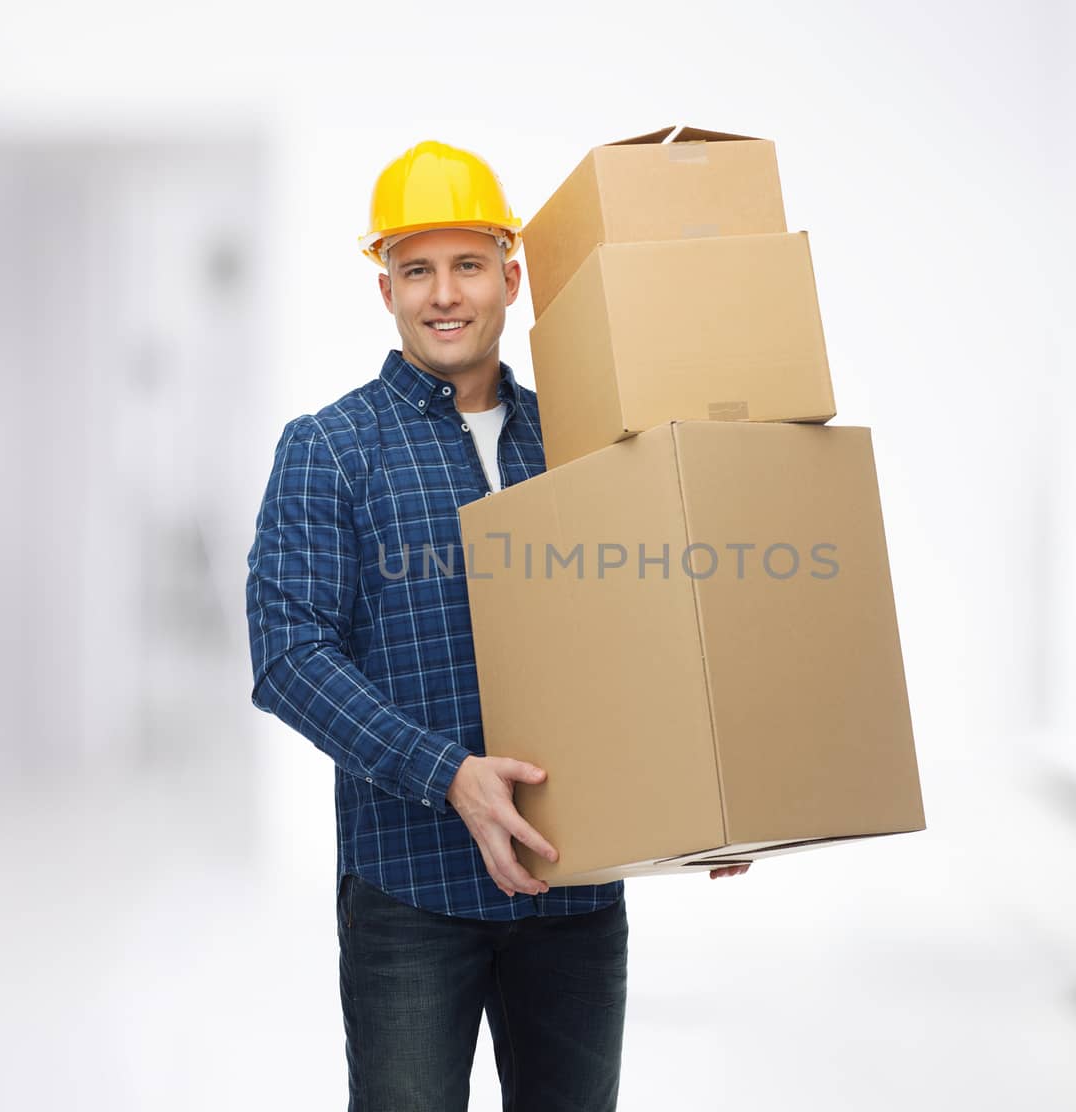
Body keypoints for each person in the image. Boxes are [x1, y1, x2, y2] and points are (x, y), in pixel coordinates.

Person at [245, 139, 746, 1112]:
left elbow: (636, 636)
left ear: (510, 276)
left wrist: (711, 792)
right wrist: (450, 774)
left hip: (576, 890)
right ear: (383, 286)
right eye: (415, 268)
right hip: (412, 892)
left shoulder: (581, 438)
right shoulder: (333, 448)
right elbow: (288, 653)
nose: (443, 293)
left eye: (467, 264)